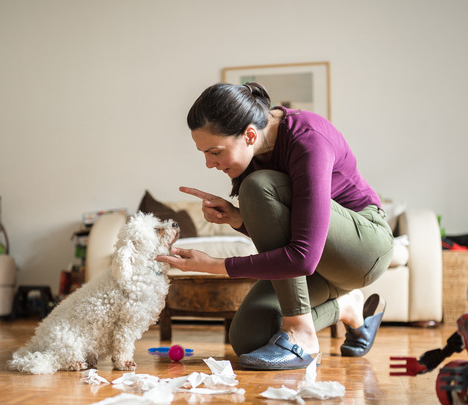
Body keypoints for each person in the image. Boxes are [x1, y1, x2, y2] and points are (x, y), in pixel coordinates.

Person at [156, 82, 394, 370]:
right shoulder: (254, 157)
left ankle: (302, 335)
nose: (209, 163)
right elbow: (285, 236)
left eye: (215, 152)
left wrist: (214, 265)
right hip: (319, 265)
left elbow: (303, 258)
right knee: (249, 339)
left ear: (250, 134)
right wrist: (237, 218)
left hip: (363, 250)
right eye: (204, 153)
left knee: (258, 186)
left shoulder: (308, 138)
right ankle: (346, 307)